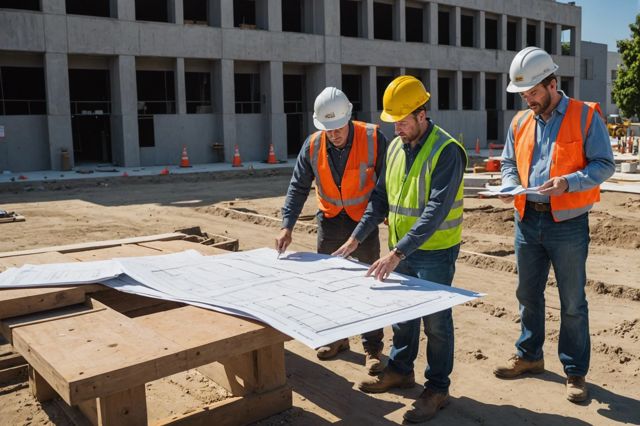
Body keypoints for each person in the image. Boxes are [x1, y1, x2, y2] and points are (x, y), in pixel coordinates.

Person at [333, 75, 467, 423]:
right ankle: (401, 370)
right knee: (402, 315)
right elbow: (380, 199)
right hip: (402, 250)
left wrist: (396, 253)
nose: (398, 129)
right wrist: (357, 237)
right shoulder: (395, 147)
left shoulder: (447, 151)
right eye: (394, 123)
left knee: (436, 323)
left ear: (423, 114)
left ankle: (437, 388)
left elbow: (435, 212)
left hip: (435, 252)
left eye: (403, 122)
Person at [493, 47, 615, 403]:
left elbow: (604, 165)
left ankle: (575, 371)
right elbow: (507, 163)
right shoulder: (519, 122)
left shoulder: (585, 116)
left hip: (568, 224)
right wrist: (508, 184)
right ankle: (530, 355)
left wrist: (569, 182)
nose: (528, 99)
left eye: (533, 92)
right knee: (527, 295)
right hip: (527, 219)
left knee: (573, 301)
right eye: (523, 94)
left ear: (552, 84)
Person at [275, 86, 388, 374]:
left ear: (349, 118)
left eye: (338, 127)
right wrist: (287, 225)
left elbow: (383, 191)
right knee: (329, 284)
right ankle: (337, 339)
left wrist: (361, 232)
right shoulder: (313, 145)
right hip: (329, 221)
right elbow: (298, 187)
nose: (334, 134)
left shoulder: (374, 138)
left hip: (364, 222)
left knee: (368, 286)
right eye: (328, 128)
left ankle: (373, 347)